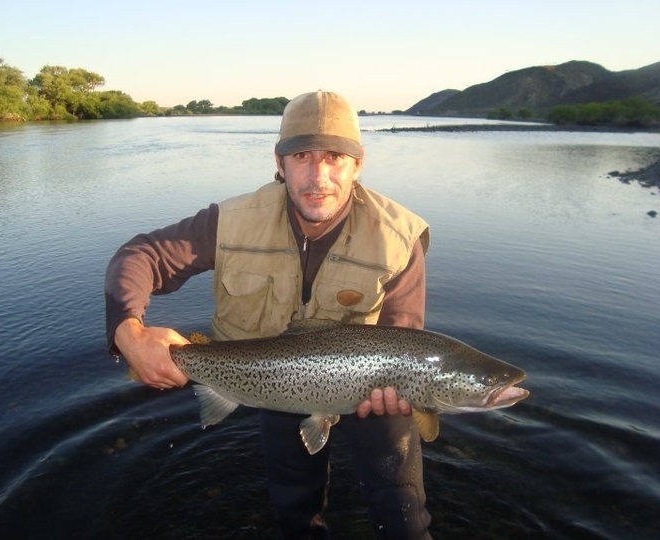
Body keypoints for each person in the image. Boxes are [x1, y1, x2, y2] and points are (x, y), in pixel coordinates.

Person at [105, 90, 432, 538]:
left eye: (335, 157)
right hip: (272, 382)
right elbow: (140, 256)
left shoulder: (399, 238)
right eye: (301, 156)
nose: (318, 176)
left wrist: (400, 395)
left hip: (368, 388)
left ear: (358, 164)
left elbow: (405, 340)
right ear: (280, 164)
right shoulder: (231, 221)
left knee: (403, 512)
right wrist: (129, 333)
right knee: (293, 509)